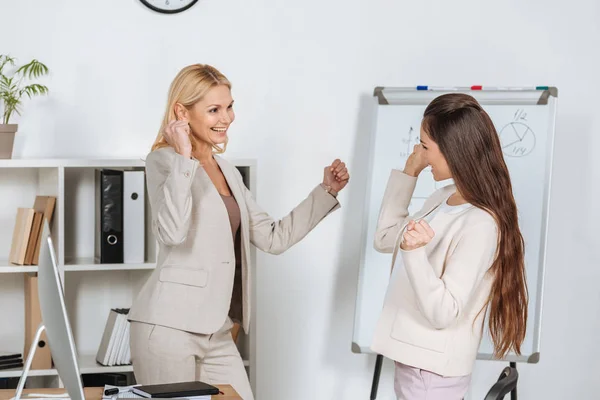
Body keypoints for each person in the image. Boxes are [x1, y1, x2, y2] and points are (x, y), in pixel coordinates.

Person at [127, 64, 349, 400]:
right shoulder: (163, 161)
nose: (226, 118)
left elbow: (275, 237)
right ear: (181, 112)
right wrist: (185, 157)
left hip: (216, 331)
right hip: (169, 329)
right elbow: (172, 232)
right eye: (214, 110)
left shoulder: (228, 171)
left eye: (229, 106)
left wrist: (326, 191)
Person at [371, 93, 528, 400]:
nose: (420, 153)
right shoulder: (441, 199)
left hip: (430, 375)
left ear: (453, 151)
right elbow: (386, 237)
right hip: (416, 365)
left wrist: (414, 253)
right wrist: (408, 174)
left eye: (425, 147)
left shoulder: (481, 223)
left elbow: (444, 312)